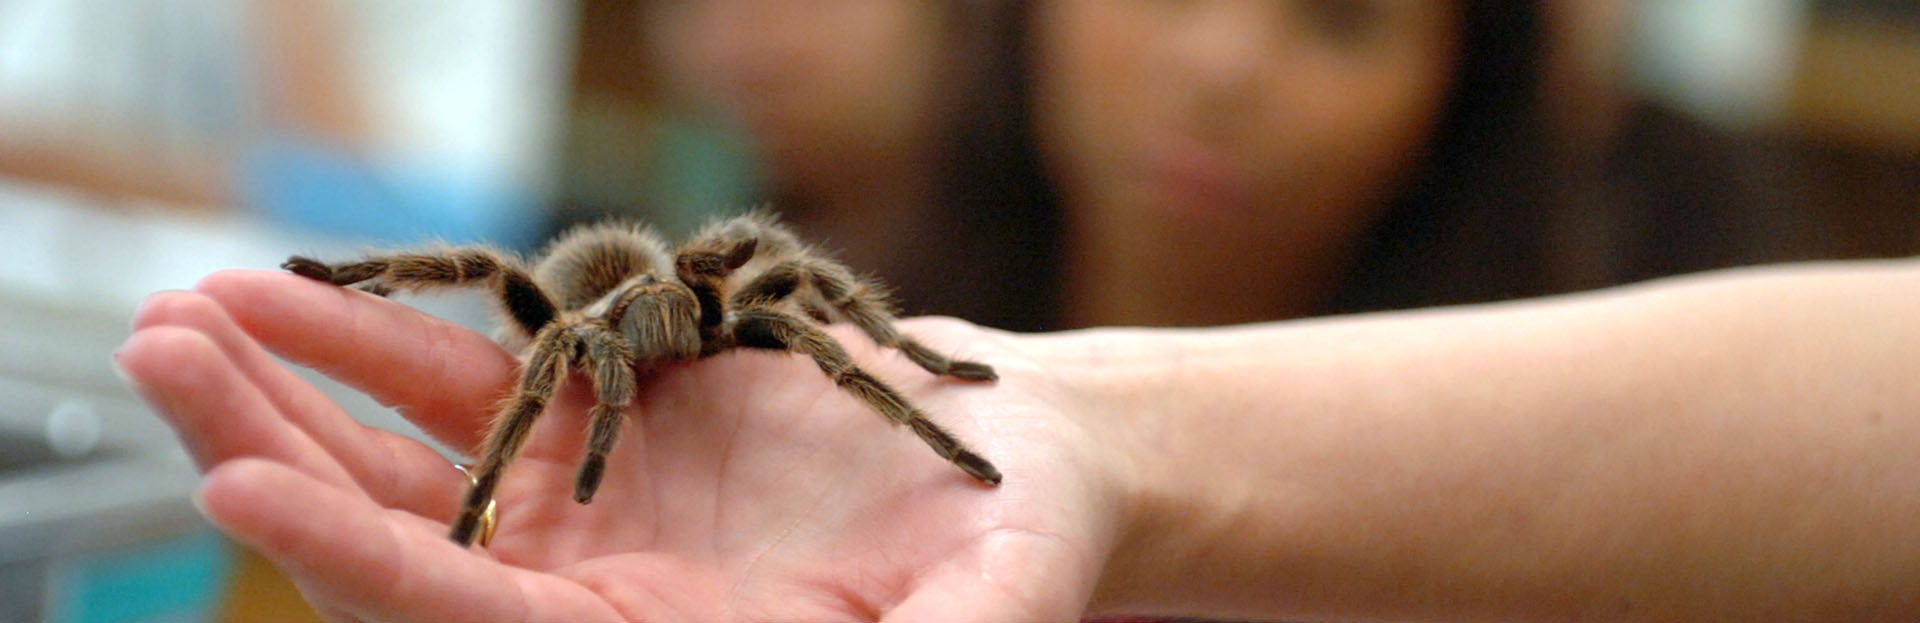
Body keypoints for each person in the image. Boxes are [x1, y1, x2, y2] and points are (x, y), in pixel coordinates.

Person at [120, 257, 1920, 622]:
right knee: (546, 311)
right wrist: (575, 452)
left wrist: (977, 397)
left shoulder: (730, 293)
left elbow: (800, 284)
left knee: (781, 294)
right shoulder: (587, 324)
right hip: (591, 314)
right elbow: (510, 297)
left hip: (756, 320)